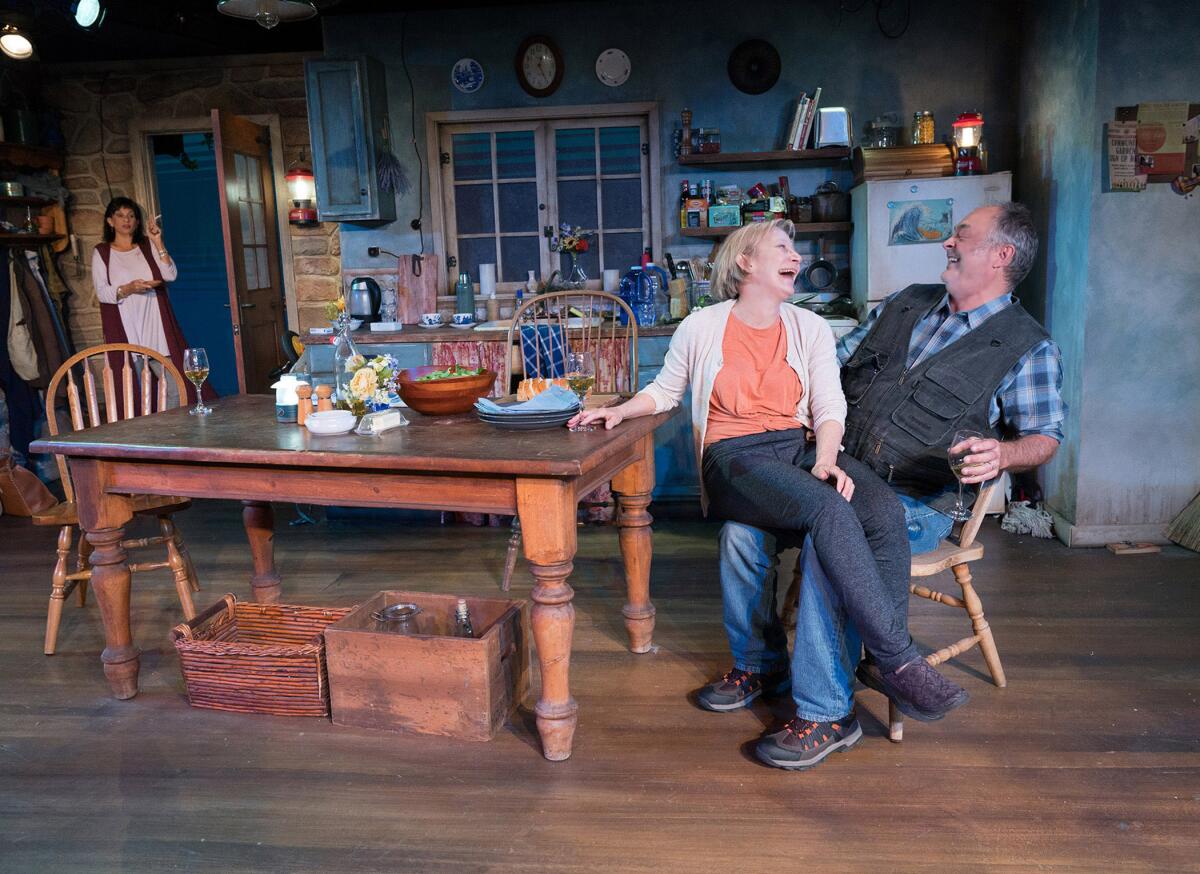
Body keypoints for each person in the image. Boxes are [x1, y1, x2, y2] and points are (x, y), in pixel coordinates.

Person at [570, 219, 969, 770]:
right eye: (781, 247)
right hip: (736, 458)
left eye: (795, 248)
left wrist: (826, 459)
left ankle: (869, 661)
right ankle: (898, 659)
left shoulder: (809, 326)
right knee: (829, 510)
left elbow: (830, 406)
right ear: (745, 263)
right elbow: (665, 391)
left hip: (802, 447)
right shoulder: (701, 326)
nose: (796, 256)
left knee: (878, 508)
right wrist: (617, 410)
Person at [720, 202, 1065, 767]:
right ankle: (760, 665)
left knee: (828, 543)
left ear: (1001, 255)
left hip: (917, 500)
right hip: (829, 468)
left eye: (961, 236)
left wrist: (1003, 452)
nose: (947, 244)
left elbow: (1046, 434)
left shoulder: (1026, 345)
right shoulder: (907, 302)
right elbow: (828, 365)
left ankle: (828, 712)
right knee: (739, 530)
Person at [92, 196, 213, 408]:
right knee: (136, 392)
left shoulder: (147, 246)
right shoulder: (102, 252)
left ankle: (175, 429)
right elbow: (102, 293)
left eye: (131, 215)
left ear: (137, 221)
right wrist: (129, 288)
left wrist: (158, 241)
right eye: (120, 215)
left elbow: (170, 274)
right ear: (110, 221)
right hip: (127, 328)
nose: (126, 220)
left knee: (176, 387)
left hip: (155, 326)